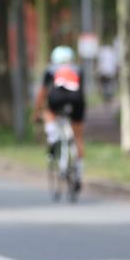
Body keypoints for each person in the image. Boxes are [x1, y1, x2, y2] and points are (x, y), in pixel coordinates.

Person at [33, 45, 86, 187]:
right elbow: (82, 90)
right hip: (77, 100)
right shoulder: (78, 69)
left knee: (48, 112)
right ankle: (79, 173)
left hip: (57, 98)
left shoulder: (50, 69)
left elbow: (43, 92)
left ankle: (53, 138)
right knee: (78, 136)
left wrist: (36, 111)